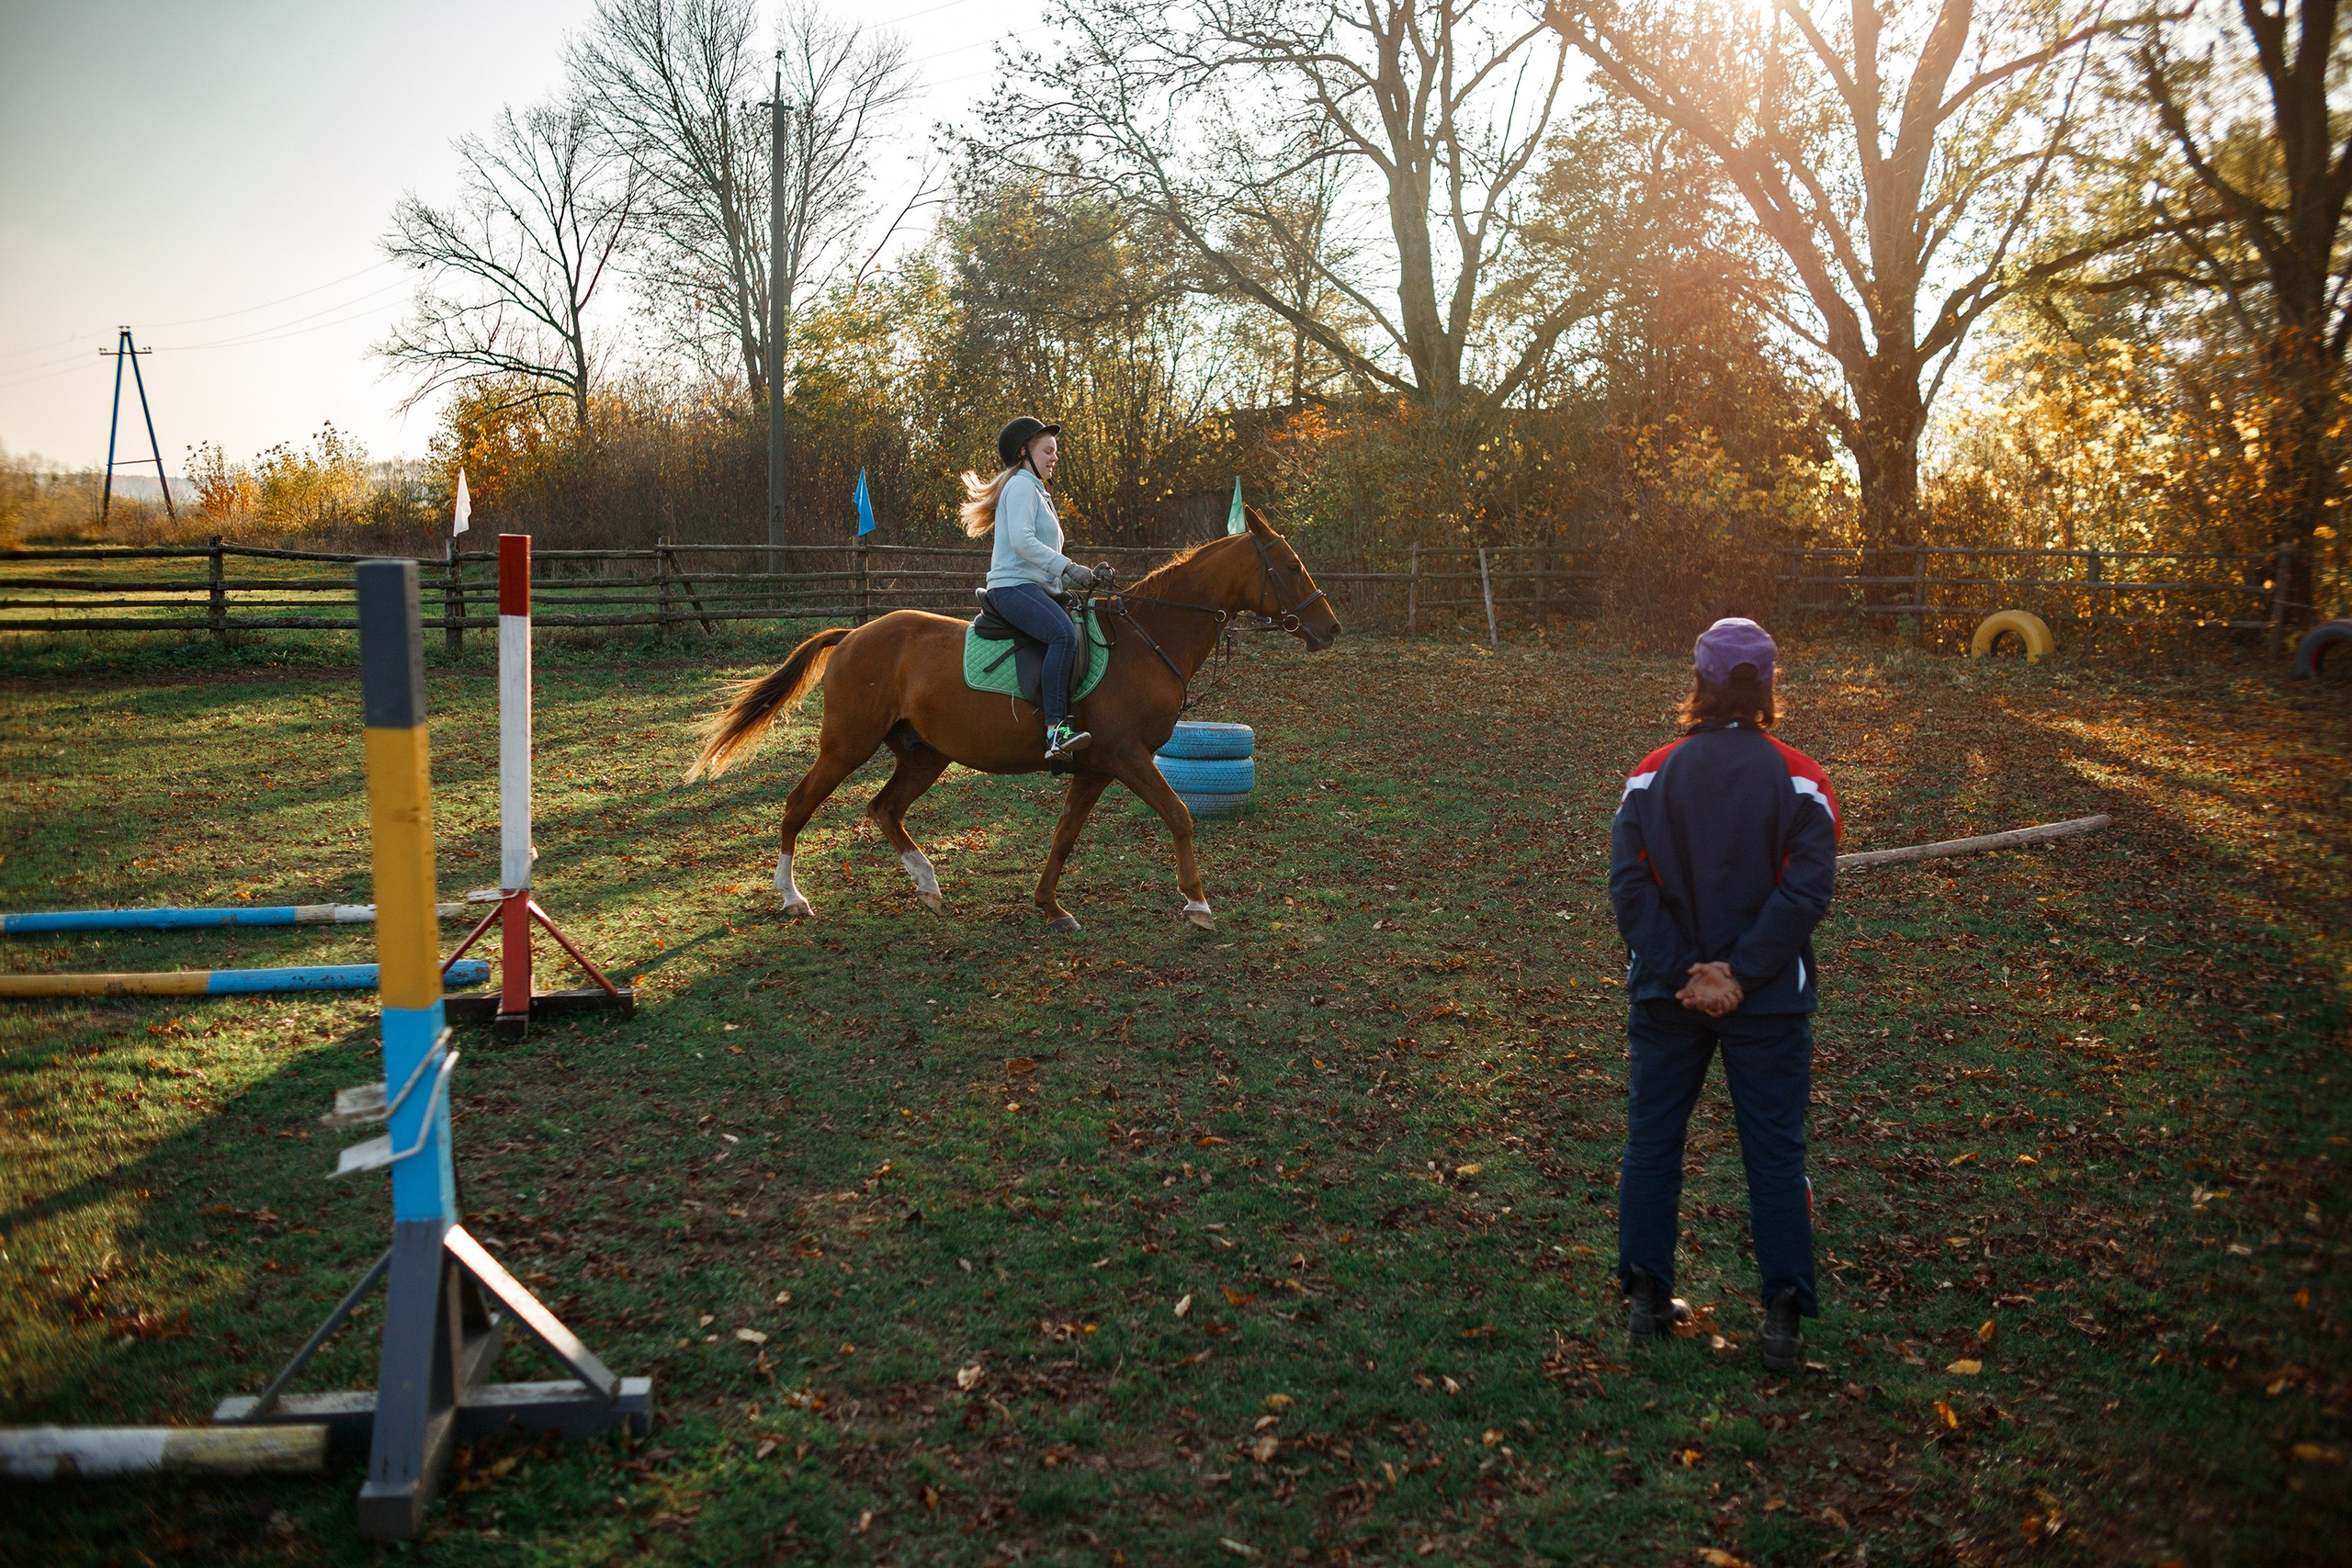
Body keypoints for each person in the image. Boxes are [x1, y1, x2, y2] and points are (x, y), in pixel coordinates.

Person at [1606, 616, 1840, 1373]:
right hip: (1766, 1004)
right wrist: (1736, 973)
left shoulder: (1649, 773)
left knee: (1653, 1142)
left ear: (1698, 684)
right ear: (1767, 685)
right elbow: (1805, 893)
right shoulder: (1805, 777)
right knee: (1774, 1154)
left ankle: (1645, 1296)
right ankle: (1780, 1319)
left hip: (1667, 998)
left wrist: (1685, 971)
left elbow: (1628, 886)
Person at [961, 415, 1097, 761]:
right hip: (1012, 588)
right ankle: (1055, 732)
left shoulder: (1037, 491)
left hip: (1032, 586)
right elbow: (1023, 542)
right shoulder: (1022, 486)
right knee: (1063, 635)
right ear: (1025, 451)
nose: (1054, 458)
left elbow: (1039, 559)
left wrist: (1079, 576)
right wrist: (1068, 567)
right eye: (1047, 450)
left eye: (1055, 452)